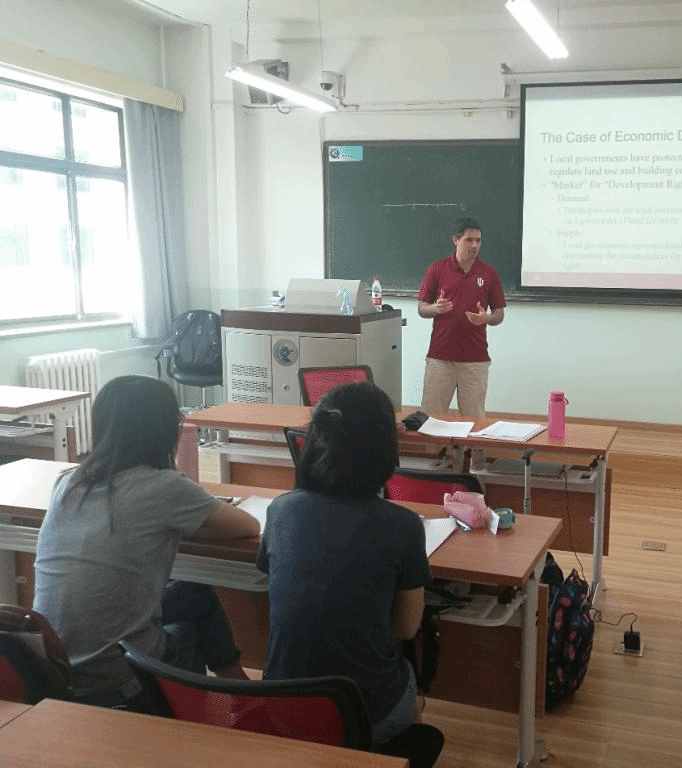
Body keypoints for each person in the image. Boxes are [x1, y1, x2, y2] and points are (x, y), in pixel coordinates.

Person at [34, 375, 260, 706]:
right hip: (124, 681)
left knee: (192, 591)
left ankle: (239, 691)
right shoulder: (165, 487)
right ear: (165, 432)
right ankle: (228, 699)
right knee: (194, 620)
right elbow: (248, 525)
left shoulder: (67, 482)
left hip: (56, 673)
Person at [257, 381, 435, 749]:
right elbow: (406, 628)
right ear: (386, 448)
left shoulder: (280, 510)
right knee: (408, 681)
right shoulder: (403, 525)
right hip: (364, 715)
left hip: (280, 707)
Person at [417, 216, 506, 420]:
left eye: (478, 240)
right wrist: (435, 308)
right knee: (431, 419)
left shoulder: (489, 273)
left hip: (475, 361)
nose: (474, 245)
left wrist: (486, 318)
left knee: (475, 421)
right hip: (440, 359)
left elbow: (499, 314)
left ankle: (471, 445)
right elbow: (422, 309)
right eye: (469, 240)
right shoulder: (437, 269)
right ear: (455, 240)